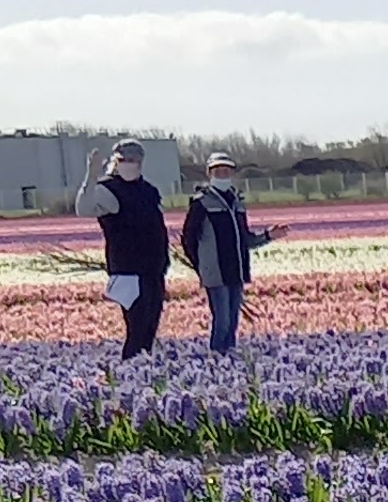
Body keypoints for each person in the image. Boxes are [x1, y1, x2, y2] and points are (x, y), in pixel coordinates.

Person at [76, 138, 173, 358]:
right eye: (125, 159)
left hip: (153, 268)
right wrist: (91, 175)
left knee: (150, 328)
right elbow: (83, 208)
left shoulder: (148, 190)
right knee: (137, 328)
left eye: (134, 160)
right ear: (116, 161)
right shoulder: (107, 189)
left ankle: (143, 369)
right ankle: (131, 371)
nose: (130, 164)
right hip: (128, 270)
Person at [180, 152, 272, 355]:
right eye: (218, 171)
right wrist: (201, 264)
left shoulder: (237, 201)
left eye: (226, 171)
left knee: (232, 322)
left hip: (236, 270)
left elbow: (245, 238)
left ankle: (229, 359)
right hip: (216, 272)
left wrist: (268, 235)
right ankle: (215, 359)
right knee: (221, 321)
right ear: (210, 174)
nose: (222, 175)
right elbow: (188, 238)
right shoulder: (201, 203)